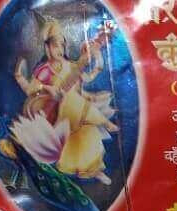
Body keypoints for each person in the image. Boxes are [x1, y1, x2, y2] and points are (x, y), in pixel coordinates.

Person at [13, 17, 117, 185]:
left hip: (74, 114)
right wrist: (47, 88)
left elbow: (84, 80)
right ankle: (103, 121)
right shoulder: (45, 70)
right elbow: (31, 90)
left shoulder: (70, 66)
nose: (60, 49)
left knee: (87, 134)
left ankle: (95, 171)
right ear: (47, 47)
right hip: (54, 116)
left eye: (62, 45)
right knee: (71, 100)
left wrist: (97, 59)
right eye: (56, 45)